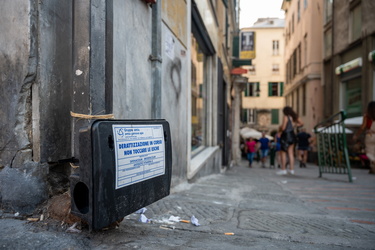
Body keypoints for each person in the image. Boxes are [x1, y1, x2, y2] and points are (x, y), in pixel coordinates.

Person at [277, 106, 303, 175]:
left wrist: (280, 127)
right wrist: (294, 126)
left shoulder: (286, 117)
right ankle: (291, 170)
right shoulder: (294, 117)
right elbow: (301, 123)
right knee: (291, 153)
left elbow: (283, 128)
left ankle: (283, 169)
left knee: (283, 153)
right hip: (292, 135)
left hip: (286, 136)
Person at [353, 101, 375, 174]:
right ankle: (373, 169)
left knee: (369, 152)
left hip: (369, 135)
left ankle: (373, 162)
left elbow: (362, 127)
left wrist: (356, 135)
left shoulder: (366, 116)